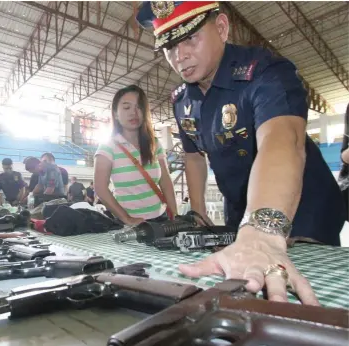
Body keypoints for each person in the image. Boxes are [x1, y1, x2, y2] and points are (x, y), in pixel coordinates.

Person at [137, 1, 347, 305]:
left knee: (310, 301)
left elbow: (282, 141)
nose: (179, 56)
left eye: (189, 38)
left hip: (302, 214)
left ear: (221, 28)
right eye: (169, 46)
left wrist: (262, 230)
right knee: (244, 296)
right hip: (243, 216)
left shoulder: (265, 72)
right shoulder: (183, 100)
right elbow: (194, 156)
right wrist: (199, 215)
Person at [94, 85, 178, 225]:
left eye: (139, 107)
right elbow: (100, 188)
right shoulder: (108, 147)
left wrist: (174, 214)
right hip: (130, 224)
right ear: (115, 113)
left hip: (161, 219)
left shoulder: (154, 143)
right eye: (126, 108)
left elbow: (165, 181)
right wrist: (127, 219)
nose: (134, 112)